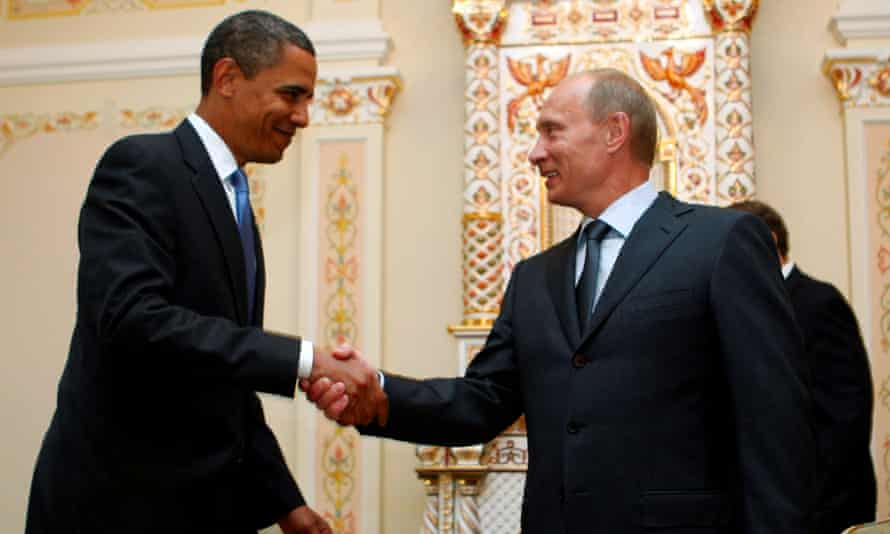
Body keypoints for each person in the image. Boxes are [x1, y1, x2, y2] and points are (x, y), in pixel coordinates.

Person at [307, 69, 816, 533]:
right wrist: (377, 396)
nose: (535, 152)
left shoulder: (723, 240)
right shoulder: (535, 277)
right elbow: (480, 403)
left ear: (615, 132)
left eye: (552, 131)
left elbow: (775, 422)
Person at [25, 10, 381, 534]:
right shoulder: (142, 164)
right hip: (119, 506)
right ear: (228, 78)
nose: (304, 116)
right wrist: (306, 361)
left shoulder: (236, 202)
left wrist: (286, 505)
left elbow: (224, 380)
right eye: (291, 94)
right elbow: (132, 318)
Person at [730, 200, 876, 533]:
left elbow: (844, 419)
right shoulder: (742, 305)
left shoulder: (818, 303)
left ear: (768, 243)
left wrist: (807, 507)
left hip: (821, 507)